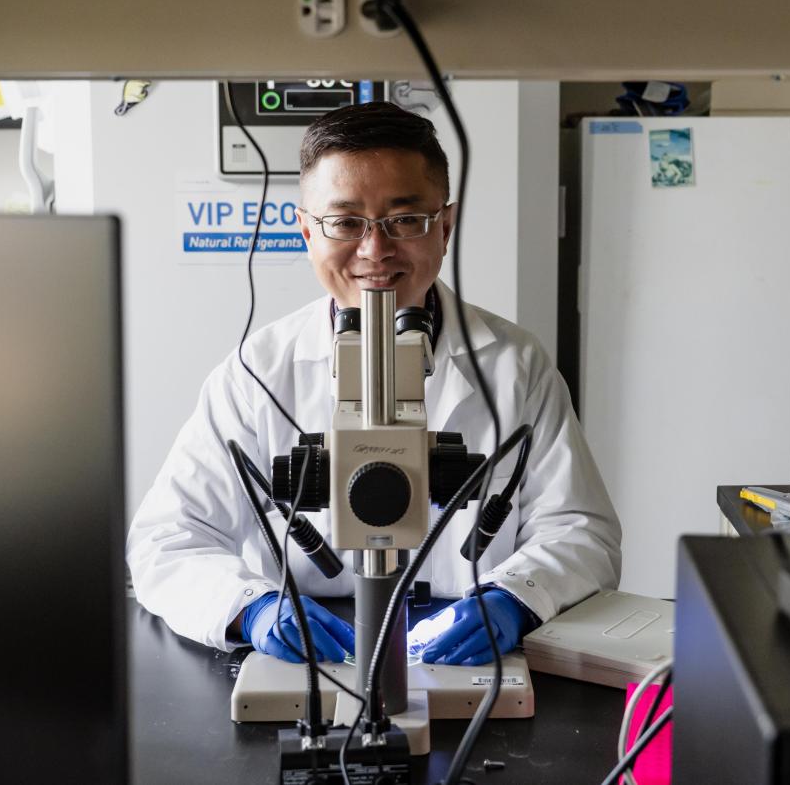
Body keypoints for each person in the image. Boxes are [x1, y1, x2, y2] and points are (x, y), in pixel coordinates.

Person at [127, 101, 621, 667]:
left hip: (467, 641)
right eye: (344, 222)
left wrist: (514, 598)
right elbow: (166, 540)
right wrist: (253, 608)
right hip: (316, 644)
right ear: (306, 230)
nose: (375, 250)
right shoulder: (257, 372)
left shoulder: (515, 364)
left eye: (406, 220)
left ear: (447, 225)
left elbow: (582, 530)